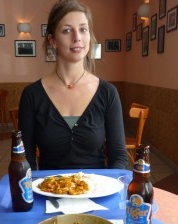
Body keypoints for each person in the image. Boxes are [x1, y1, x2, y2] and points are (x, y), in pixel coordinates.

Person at [18, 0, 128, 171]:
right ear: (52, 40)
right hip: (48, 192)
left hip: (97, 190)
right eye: (67, 30)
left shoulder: (108, 93)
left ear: (89, 37)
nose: (77, 37)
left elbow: (119, 156)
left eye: (83, 29)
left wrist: (110, 188)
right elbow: (26, 158)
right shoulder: (32, 95)